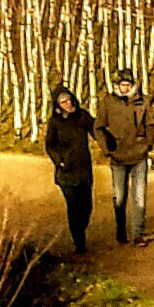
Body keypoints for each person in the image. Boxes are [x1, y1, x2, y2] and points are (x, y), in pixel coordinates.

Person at [95, 68, 154, 246]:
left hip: (139, 155)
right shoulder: (108, 102)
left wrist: (148, 144)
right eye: (122, 85)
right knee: (120, 197)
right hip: (118, 157)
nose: (125, 88)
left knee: (140, 197)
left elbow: (150, 124)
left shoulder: (142, 101)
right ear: (117, 85)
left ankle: (138, 234)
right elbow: (99, 127)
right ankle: (120, 229)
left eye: (128, 85)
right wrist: (106, 149)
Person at [45, 85, 96, 254]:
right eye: (63, 102)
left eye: (68, 100)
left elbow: (97, 131)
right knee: (73, 207)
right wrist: (60, 161)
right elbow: (50, 145)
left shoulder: (82, 116)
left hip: (84, 170)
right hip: (66, 173)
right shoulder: (55, 123)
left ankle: (80, 231)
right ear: (57, 105)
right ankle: (79, 242)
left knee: (87, 207)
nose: (67, 103)